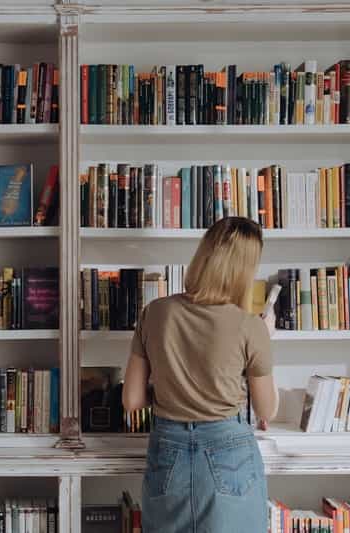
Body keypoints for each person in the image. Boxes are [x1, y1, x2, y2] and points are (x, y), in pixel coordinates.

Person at [123, 216, 278, 533]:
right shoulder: (250, 326)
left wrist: (174, 389)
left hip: (168, 447)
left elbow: (132, 400)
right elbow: (267, 410)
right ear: (244, 271)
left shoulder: (155, 312)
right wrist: (265, 337)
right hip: (229, 447)